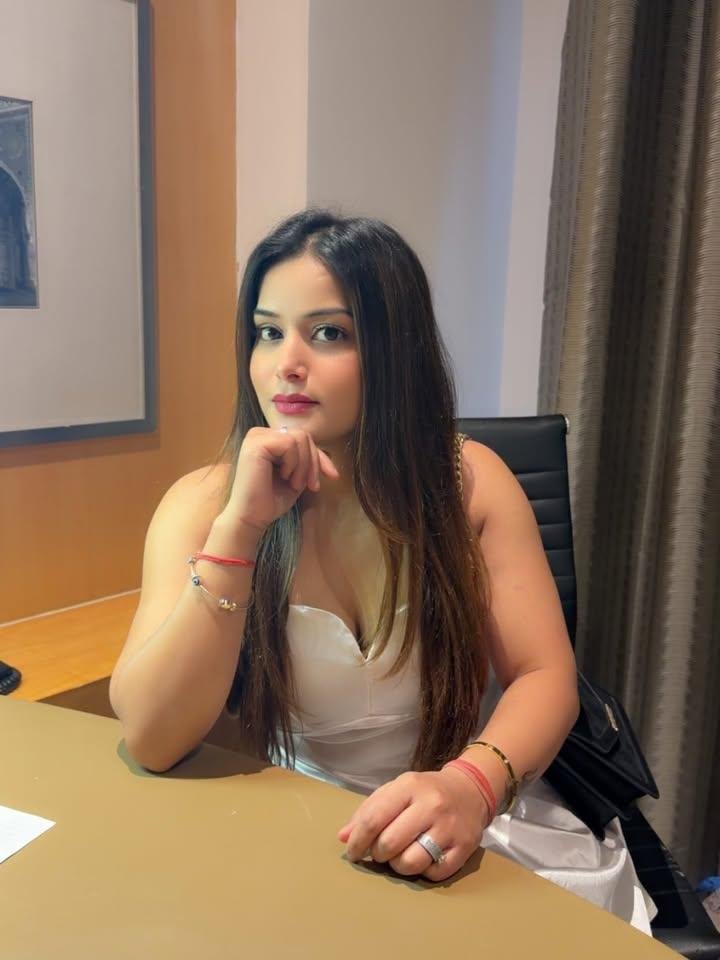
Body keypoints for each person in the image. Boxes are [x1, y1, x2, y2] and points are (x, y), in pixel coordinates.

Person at [109, 208, 656, 933]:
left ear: (395, 349)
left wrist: (471, 786)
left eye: (328, 333)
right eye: (268, 332)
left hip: (470, 811)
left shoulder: (471, 485)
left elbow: (544, 675)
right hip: (305, 826)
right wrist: (239, 531)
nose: (286, 363)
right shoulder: (202, 505)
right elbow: (152, 738)